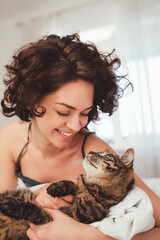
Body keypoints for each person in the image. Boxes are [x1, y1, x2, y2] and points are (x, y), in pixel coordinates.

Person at [0, 33, 160, 240]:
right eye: (63, 112)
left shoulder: (94, 151)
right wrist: (37, 197)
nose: (77, 125)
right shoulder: (11, 139)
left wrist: (87, 235)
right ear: (32, 101)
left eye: (85, 113)